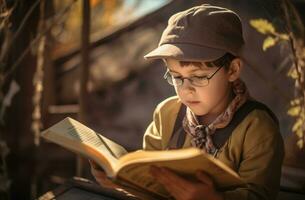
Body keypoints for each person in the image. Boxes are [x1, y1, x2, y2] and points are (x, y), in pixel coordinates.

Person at [90, 4, 284, 200]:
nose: (185, 89)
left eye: (199, 76)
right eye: (176, 77)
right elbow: (152, 185)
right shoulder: (167, 113)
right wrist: (120, 182)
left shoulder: (257, 127)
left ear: (232, 70)